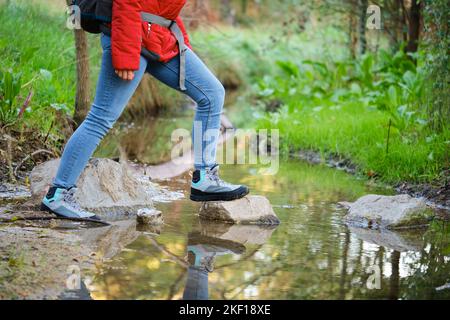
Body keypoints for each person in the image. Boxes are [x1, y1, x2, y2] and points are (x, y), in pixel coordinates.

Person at [41, 0, 249, 220]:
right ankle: (59, 195)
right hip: (131, 37)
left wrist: (182, 44)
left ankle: (205, 179)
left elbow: (163, 9)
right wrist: (125, 55)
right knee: (101, 118)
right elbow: (127, 3)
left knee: (212, 93)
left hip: (158, 39)